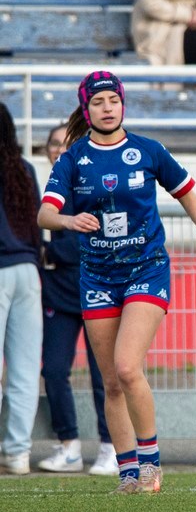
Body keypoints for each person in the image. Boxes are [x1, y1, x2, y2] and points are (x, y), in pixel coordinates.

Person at [37, 70, 196, 494]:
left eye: (113, 100)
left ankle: (150, 463)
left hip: (146, 269)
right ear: (86, 109)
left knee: (126, 366)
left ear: (123, 104)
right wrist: (69, 220)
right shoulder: (73, 159)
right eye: (98, 102)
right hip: (97, 276)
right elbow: (45, 214)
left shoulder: (148, 150)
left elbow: (187, 193)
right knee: (111, 381)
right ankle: (127, 473)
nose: (108, 108)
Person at [37, 123, 118, 476]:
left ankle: (111, 447)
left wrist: (52, 252)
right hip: (58, 294)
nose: (59, 150)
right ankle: (68, 446)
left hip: (97, 290)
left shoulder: (95, 185)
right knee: (54, 370)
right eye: (54, 144)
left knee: (105, 375)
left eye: (66, 145)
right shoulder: (47, 192)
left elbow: (95, 239)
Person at [0, 101, 43, 476]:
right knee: (25, 370)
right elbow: (37, 227)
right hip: (28, 272)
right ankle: (18, 453)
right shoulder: (25, 170)